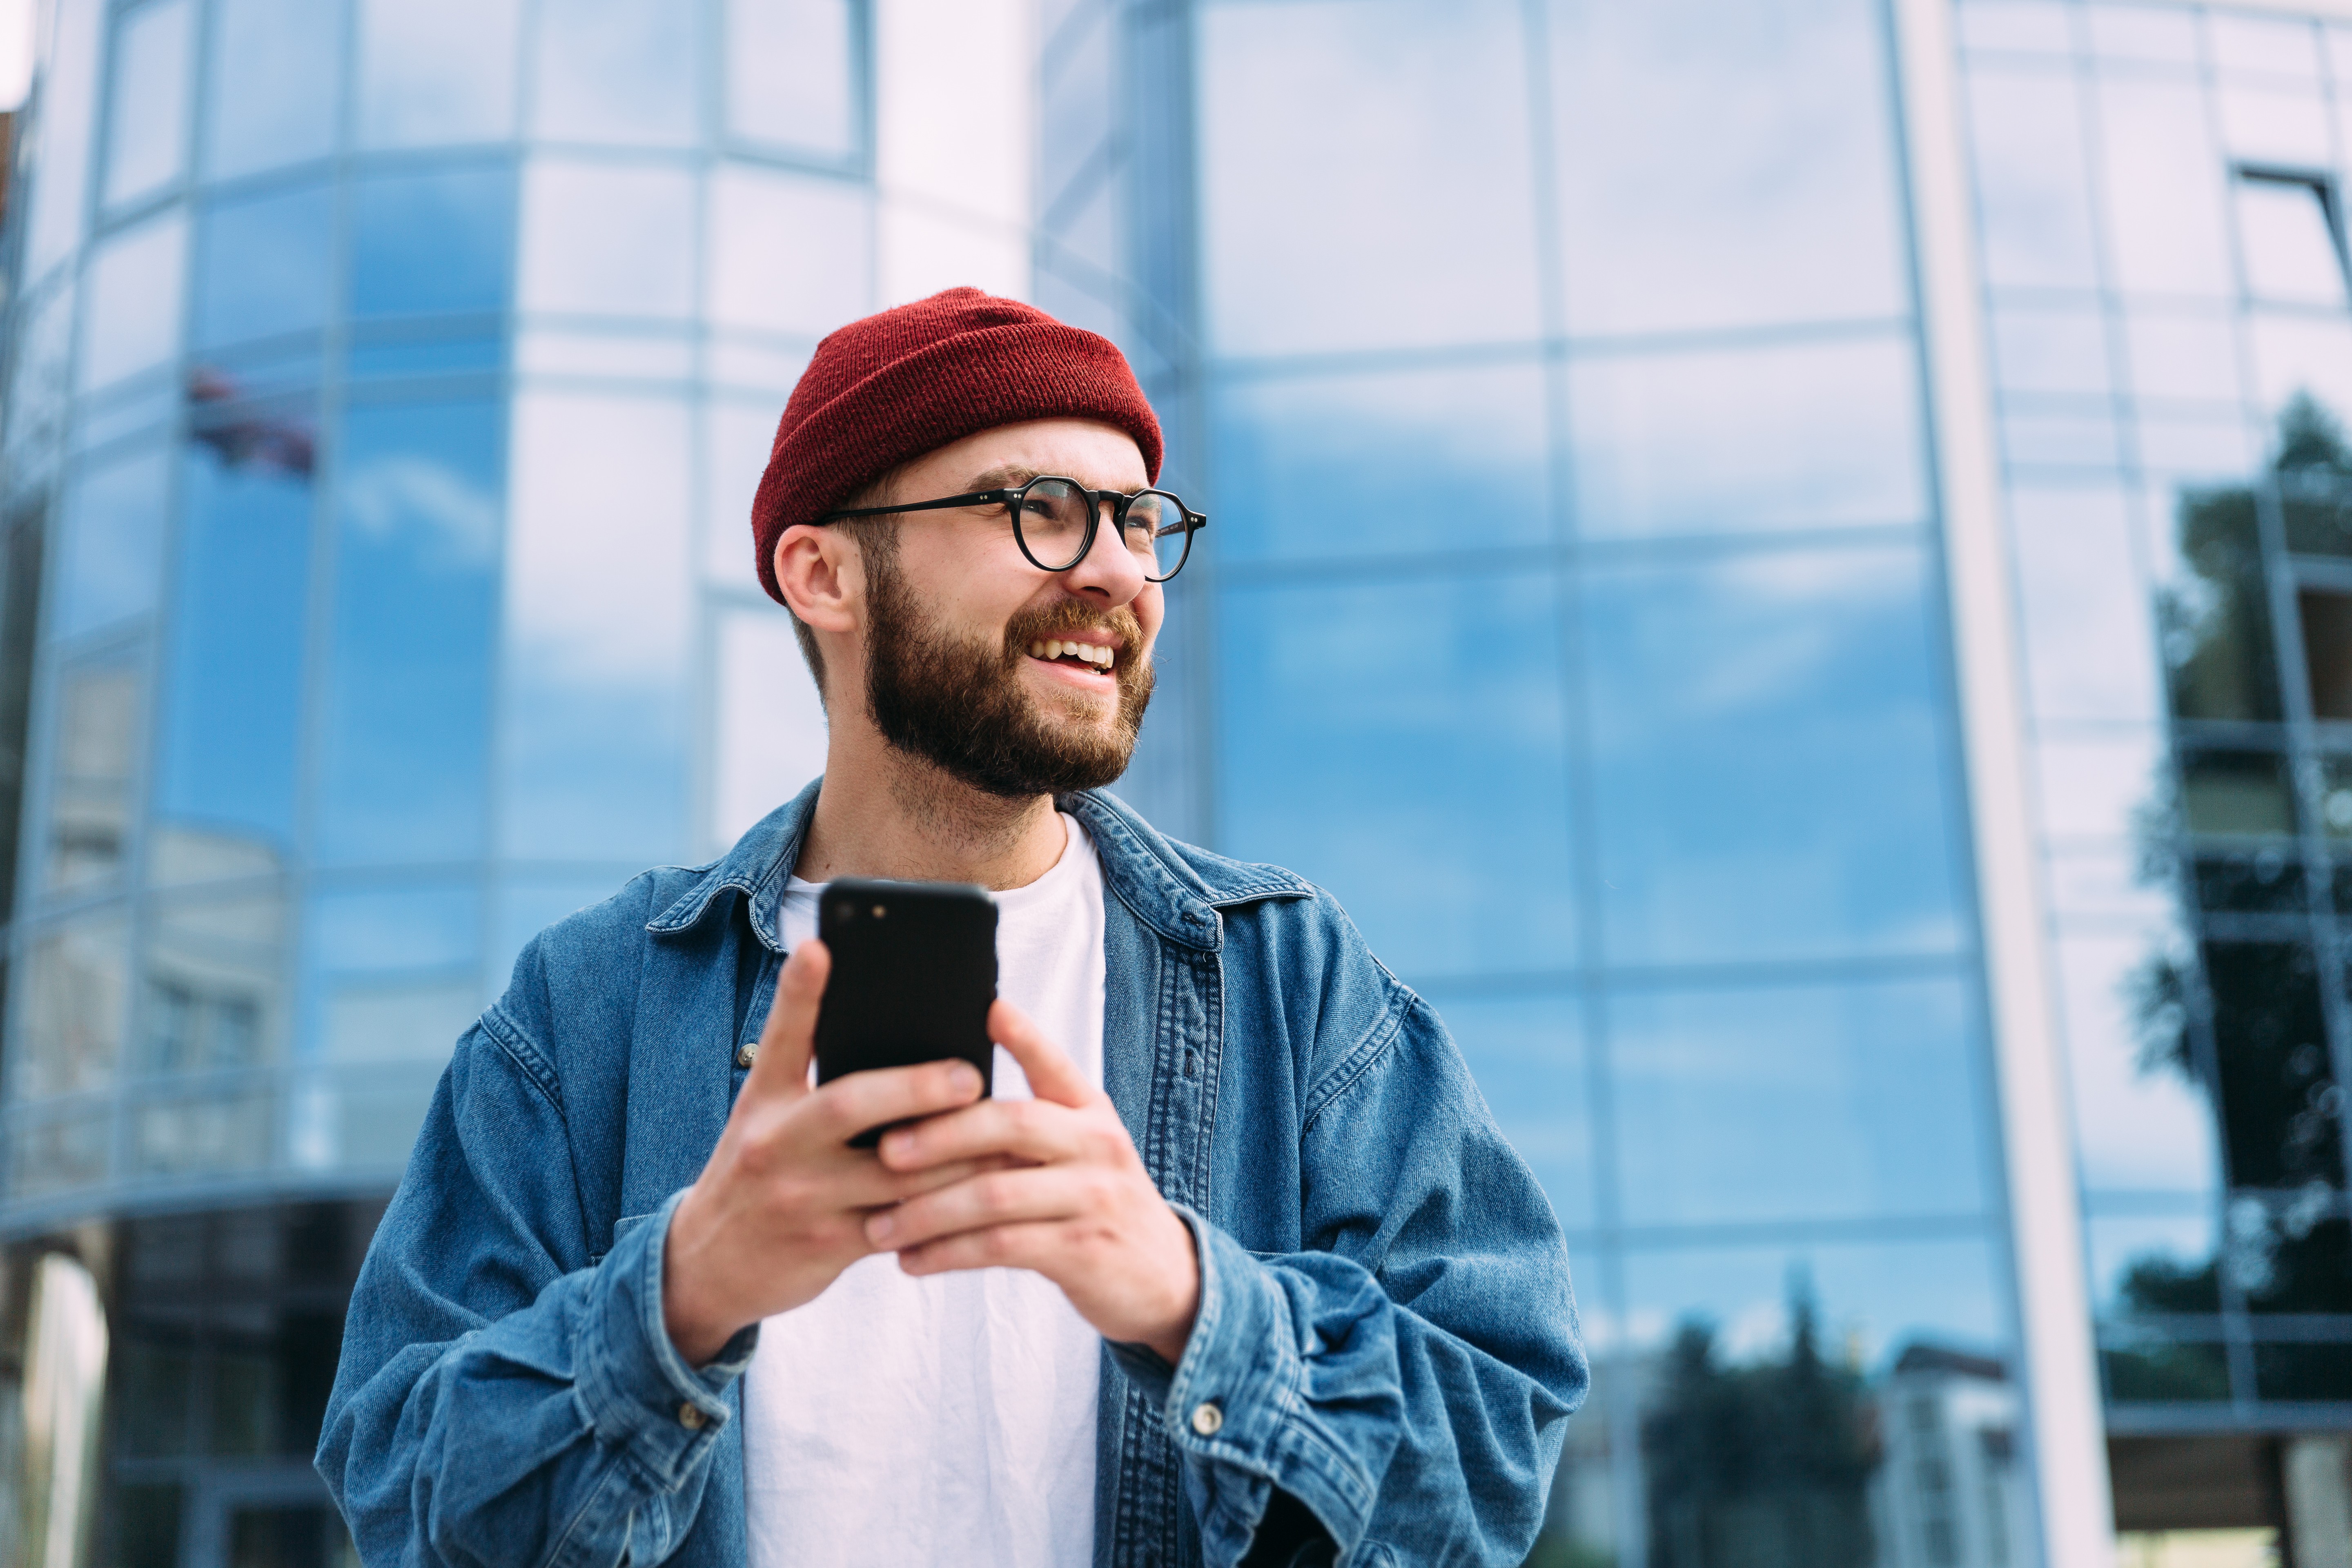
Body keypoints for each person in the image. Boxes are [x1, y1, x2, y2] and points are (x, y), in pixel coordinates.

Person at [317, 288, 1586, 1567]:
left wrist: (1194, 1300)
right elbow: (401, 1498)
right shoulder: (594, 1003)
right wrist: (680, 1299)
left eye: (1140, 520)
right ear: (825, 574)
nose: (1118, 574)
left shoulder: (1288, 979)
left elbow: (1491, 1454)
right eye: (1038, 510)